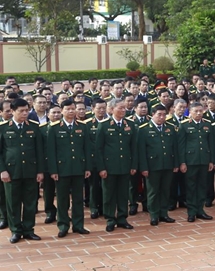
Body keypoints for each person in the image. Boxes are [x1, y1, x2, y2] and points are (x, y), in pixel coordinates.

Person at [0, 98, 45, 243]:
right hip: (11, 171)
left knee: (30, 201)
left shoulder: (34, 126)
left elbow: (39, 151)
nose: (25, 113)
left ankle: (28, 230)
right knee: (13, 203)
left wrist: (40, 171)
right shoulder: (4, 127)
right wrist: (2, 170)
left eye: (27, 110)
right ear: (12, 111)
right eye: (21, 111)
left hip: (30, 170)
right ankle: (16, 231)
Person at [47, 100, 91, 238]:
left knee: (78, 199)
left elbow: (87, 149)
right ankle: (63, 225)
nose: (71, 111)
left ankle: (78, 225)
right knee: (62, 199)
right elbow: (51, 152)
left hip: (79, 167)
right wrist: (53, 170)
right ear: (62, 111)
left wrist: (87, 167)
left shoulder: (83, 127)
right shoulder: (54, 128)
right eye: (68, 109)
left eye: (73, 109)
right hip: (62, 169)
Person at [95, 98, 137, 232]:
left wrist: (133, 165)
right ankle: (110, 219)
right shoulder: (104, 124)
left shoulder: (130, 123)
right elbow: (98, 149)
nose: (123, 110)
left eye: (124, 108)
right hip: (109, 166)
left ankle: (122, 218)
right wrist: (101, 168)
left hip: (125, 165)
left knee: (123, 193)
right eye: (120, 108)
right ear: (112, 109)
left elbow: (134, 147)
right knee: (109, 194)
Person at [136, 104, 178, 226]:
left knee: (165, 190)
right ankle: (154, 215)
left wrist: (175, 164)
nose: (162, 117)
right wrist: (143, 167)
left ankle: (163, 213)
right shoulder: (144, 129)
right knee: (153, 192)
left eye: (164, 115)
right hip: (152, 166)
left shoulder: (170, 128)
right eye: (159, 114)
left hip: (167, 164)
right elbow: (142, 151)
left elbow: (174, 148)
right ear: (152, 115)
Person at [178, 102, 213, 222]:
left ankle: (200, 210)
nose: (198, 113)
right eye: (195, 111)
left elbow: (210, 144)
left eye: (200, 111)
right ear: (190, 112)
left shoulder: (208, 124)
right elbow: (181, 146)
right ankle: (191, 212)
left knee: (202, 186)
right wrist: (182, 162)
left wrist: (211, 161)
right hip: (190, 161)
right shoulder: (184, 125)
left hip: (204, 160)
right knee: (191, 187)